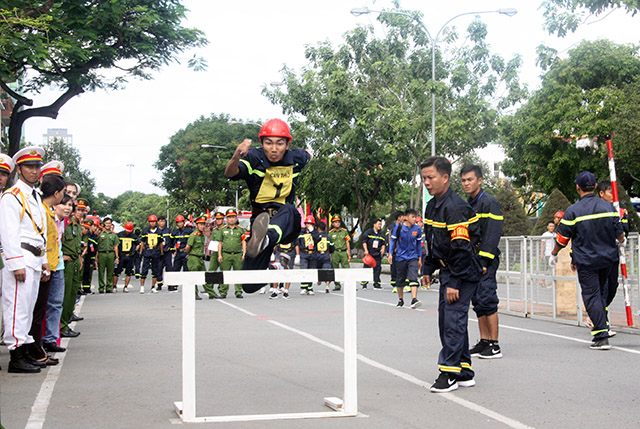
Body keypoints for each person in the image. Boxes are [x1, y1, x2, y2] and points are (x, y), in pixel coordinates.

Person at [224, 118, 312, 293]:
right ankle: (274, 267)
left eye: (279, 144)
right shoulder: (253, 158)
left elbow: (309, 153)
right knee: (249, 285)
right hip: (261, 220)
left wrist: (310, 154)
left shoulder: (296, 158)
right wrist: (236, 156)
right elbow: (230, 173)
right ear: (261, 143)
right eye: (268, 143)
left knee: (288, 209)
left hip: (287, 221)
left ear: (287, 145)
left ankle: (266, 239)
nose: (274, 149)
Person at [421, 156, 481, 393]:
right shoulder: (432, 205)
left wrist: (454, 282)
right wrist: (428, 267)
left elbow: (462, 248)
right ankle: (464, 371)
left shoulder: (455, 207)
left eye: (431, 177)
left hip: (462, 271)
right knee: (448, 320)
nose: (427, 182)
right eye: (424, 178)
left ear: (445, 178)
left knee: (452, 322)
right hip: (448, 269)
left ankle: (449, 372)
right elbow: (433, 242)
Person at [550, 172, 625, 350]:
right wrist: (622, 241)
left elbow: (562, 238)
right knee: (600, 294)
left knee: (592, 295)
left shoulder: (573, 210)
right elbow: (619, 232)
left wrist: (554, 254)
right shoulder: (608, 207)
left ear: (578, 187)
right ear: (596, 186)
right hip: (608, 259)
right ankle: (602, 327)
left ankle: (601, 335)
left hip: (587, 261)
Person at [0, 146, 49, 373]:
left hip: (35, 257)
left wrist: (45, 260)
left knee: (27, 308)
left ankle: (24, 349)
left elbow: (40, 230)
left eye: (37, 166)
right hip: (21, 255)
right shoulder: (12, 196)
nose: (34, 170)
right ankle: (15, 356)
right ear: (18, 169)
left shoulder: (35, 195)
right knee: (16, 307)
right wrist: (15, 263)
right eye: (29, 166)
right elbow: (8, 232)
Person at [461, 165, 504, 360]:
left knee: (487, 299)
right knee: (478, 301)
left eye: (470, 179)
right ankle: (484, 340)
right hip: (472, 259)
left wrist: (485, 260)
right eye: (463, 180)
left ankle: (494, 345)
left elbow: (492, 234)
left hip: (485, 259)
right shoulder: (468, 204)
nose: (466, 183)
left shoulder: (489, 203)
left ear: (479, 180)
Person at [28, 173, 66, 367]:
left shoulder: (47, 211)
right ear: (57, 193)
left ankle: (36, 350)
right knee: (36, 312)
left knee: (40, 309)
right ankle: (34, 351)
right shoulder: (42, 211)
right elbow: (42, 241)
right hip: (43, 266)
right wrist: (45, 266)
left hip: (48, 265)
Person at [597, 179, 629, 336]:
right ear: (601, 193)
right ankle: (602, 322)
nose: (613, 195)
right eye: (610, 192)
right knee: (602, 289)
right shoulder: (596, 210)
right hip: (599, 255)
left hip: (613, 255)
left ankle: (597, 312)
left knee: (612, 287)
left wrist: (622, 237)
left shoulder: (620, 211)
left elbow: (624, 230)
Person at [388, 208, 423, 309]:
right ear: (406, 218)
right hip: (400, 257)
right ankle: (400, 299)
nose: (415, 219)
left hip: (413, 256)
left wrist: (419, 259)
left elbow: (418, 245)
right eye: (413, 217)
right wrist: (390, 254)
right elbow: (393, 241)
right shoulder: (398, 228)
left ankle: (414, 299)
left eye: (415, 217)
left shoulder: (417, 229)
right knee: (400, 280)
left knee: (413, 277)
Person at [216, 209, 247, 299]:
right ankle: (223, 291)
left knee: (238, 273)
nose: (231, 219)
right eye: (229, 217)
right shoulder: (222, 230)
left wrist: (244, 253)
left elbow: (243, 242)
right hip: (226, 254)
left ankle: (238, 291)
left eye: (233, 217)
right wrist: (219, 255)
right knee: (225, 273)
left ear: (236, 218)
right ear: (226, 219)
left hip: (237, 254)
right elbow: (220, 243)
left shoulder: (240, 230)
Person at [139, 214, 164, 294]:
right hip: (147, 251)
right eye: (151, 222)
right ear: (149, 222)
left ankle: (153, 287)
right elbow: (142, 242)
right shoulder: (145, 231)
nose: (152, 223)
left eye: (154, 222)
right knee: (144, 270)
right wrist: (141, 251)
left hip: (155, 252)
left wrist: (161, 252)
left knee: (155, 270)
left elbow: (160, 243)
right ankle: (142, 287)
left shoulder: (159, 232)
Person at [296, 215, 319, 295]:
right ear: (305, 224)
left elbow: (317, 240)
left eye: (311, 224)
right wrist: (297, 255)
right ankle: (303, 287)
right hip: (304, 253)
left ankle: (310, 287)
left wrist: (312, 232)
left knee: (311, 271)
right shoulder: (301, 232)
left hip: (312, 253)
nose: (309, 225)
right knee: (304, 270)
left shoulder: (315, 232)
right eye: (308, 224)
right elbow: (297, 243)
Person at [185, 217, 207, 300]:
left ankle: (211, 293)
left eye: (203, 224)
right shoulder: (193, 235)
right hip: (194, 258)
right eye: (201, 224)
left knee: (205, 276)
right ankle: (194, 293)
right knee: (194, 277)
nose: (202, 226)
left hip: (200, 258)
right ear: (196, 225)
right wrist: (189, 254)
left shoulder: (201, 235)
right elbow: (188, 247)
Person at [170, 214, 192, 292]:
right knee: (176, 269)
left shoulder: (189, 231)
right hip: (178, 253)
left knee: (187, 269)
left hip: (186, 252)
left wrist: (190, 253)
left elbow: (192, 242)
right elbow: (171, 242)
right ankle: (174, 285)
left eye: (181, 222)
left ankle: (187, 285)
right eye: (178, 223)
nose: (179, 224)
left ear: (184, 222)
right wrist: (173, 251)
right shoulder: (175, 232)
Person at [361, 218, 386, 290]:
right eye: (378, 224)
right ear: (374, 224)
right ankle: (364, 284)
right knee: (366, 269)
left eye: (381, 224)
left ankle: (377, 284)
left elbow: (383, 243)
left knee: (377, 269)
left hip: (377, 254)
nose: (380, 226)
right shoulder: (368, 233)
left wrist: (383, 248)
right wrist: (365, 250)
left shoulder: (381, 235)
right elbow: (364, 241)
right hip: (369, 254)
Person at [328, 215, 351, 291]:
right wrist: (330, 255)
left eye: (338, 222)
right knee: (335, 269)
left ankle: (349, 284)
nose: (337, 223)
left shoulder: (344, 232)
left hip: (343, 252)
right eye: (335, 222)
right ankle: (337, 285)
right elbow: (329, 245)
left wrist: (349, 254)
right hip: (335, 253)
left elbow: (347, 242)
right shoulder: (330, 233)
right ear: (333, 224)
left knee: (346, 268)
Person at [115, 222, 139, 293]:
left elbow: (138, 244)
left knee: (128, 272)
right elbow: (116, 245)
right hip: (121, 255)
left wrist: (134, 251)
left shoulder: (133, 236)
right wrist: (117, 256)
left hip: (130, 256)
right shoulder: (119, 235)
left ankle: (125, 286)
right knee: (117, 271)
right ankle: (114, 286)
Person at [96, 217, 119, 293]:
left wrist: (117, 257)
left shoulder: (114, 235)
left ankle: (109, 287)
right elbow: (97, 246)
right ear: (104, 224)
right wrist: (96, 258)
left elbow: (115, 246)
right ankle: (101, 287)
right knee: (101, 271)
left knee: (110, 271)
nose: (108, 225)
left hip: (110, 254)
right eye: (106, 223)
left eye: (109, 223)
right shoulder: (100, 234)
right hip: (102, 253)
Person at [386, 211, 405, 292]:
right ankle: (394, 285)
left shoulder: (404, 226)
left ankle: (402, 284)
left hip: (402, 251)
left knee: (402, 268)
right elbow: (389, 239)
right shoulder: (391, 227)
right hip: (394, 251)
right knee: (394, 268)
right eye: (402, 217)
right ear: (399, 218)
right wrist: (391, 250)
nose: (404, 218)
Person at [315, 221, 335, 293]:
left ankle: (319, 280)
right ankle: (327, 285)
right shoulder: (328, 237)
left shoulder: (316, 237)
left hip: (317, 255)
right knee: (327, 270)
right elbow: (332, 247)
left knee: (318, 269)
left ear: (318, 229)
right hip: (326, 254)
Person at [81, 219, 99, 294]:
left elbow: (94, 250)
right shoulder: (85, 235)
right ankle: (80, 289)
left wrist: (93, 260)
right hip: (83, 255)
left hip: (89, 256)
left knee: (87, 273)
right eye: (94, 226)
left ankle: (86, 289)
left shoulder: (94, 237)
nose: (95, 228)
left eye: (96, 226)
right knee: (82, 273)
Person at [157, 215, 173, 291]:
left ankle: (170, 284)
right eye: (160, 221)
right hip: (159, 252)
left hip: (167, 252)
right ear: (158, 222)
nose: (162, 223)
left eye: (163, 221)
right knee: (159, 268)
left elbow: (172, 240)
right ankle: (159, 284)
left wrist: (170, 247)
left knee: (169, 268)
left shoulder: (168, 230)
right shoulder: (156, 231)